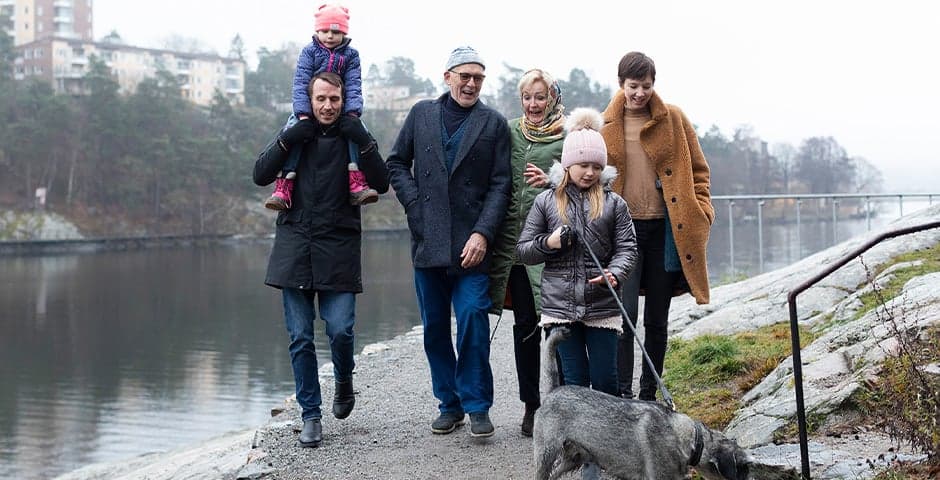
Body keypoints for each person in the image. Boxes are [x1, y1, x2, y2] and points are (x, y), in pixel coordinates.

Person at [252, 71, 389, 447]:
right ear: (309, 101)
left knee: (341, 329)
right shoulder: (295, 133)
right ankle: (311, 415)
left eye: (334, 99)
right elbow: (260, 173)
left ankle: (344, 378)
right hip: (294, 246)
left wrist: (363, 138)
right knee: (299, 337)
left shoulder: (353, 135)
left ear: (344, 100)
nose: (328, 106)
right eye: (321, 99)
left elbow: (381, 181)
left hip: (339, 246)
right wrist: (285, 139)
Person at [386, 46, 511, 438]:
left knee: (473, 317)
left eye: (478, 78)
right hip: (428, 242)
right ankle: (449, 404)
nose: (471, 84)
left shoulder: (493, 124)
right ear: (448, 77)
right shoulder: (421, 114)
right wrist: (414, 205)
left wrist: (482, 233)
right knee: (435, 327)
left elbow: (501, 184)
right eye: (465, 76)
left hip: (473, 245)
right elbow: (395, 163)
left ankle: (476, 406)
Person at [600, 51, 714, 402]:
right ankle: (622, 395)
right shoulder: (604, 126)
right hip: (623, 232)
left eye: (646, 86)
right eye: (633, 86)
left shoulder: (674, 119)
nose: (639, 93)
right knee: (624, 315)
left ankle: (650, 395)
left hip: (665, 232)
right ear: (621, 84)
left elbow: (699, 170)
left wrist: (703, 209)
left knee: (657, 319)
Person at [516, 107, 638, 397]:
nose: (590, 172)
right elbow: (524, 251)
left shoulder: (615, 204)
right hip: (560, 309)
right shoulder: (546, 201)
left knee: (606, 382)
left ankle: (607, 440)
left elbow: (627, 248)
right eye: (583, 165)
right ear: (568, 165)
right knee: (573, 384)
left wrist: (616, 273)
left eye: (596, 166)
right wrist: (549, 243)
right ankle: (576, 442)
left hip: (602, 306)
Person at [486, 68, 565, 437]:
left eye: (541, 97)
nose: (534, 104)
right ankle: (531, 405)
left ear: (552, 98)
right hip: (515, 251)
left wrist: (553, 180)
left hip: (554, 251)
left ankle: (563, 406)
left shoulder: (568, 136)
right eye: (528, 98)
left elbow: (587, 180)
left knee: (558, 328)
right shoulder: (510, 132)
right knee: (524, 330)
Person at [265, 3, 379, 211]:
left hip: (344, 108)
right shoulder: (309, 52)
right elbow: (300, 83)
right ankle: (284, 185)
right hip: (306, 109)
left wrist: (353, 112)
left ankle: (356, 180)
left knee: (357, 132)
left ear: (344, 33)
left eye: (335, 32)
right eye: (325, 30)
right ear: (317, 31)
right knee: (294, 134)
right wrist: (303, 114)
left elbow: (354, 85)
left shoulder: (351, 55)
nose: (329, 36)